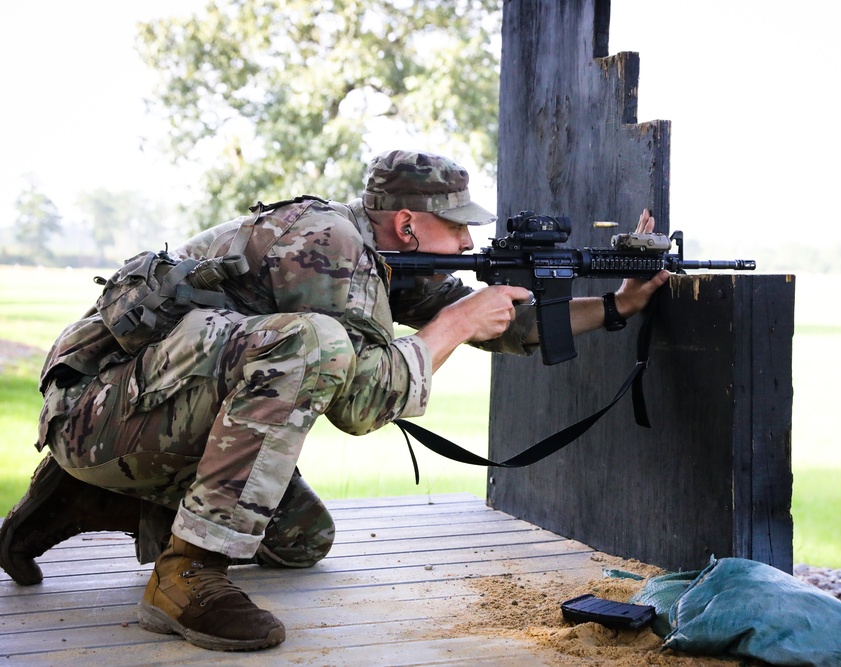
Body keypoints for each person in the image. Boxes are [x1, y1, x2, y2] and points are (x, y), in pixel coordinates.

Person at [0, 149, 669, 651]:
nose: (469, 243)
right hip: (93, 410)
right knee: (312, 344)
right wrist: (456, 327)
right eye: (456, 227)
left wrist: (613, 307)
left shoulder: (381, 257)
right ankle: (184, 571)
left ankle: (95, 491)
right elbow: (363, 402)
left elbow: (494, 318)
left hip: (135, 409)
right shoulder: (332, 247)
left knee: (301, 538)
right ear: (407, 222)